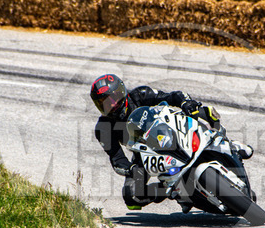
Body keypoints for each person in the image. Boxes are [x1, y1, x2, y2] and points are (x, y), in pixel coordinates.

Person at [90, 74, 253, 210]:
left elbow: (173, 96)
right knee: (131, 197)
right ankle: (174, 190)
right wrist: (130, 169)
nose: (112, 105)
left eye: (114, 98)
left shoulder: (140, 94)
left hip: (169, 127)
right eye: (105, 103)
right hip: (144, 152)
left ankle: (228, 143)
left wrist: (186, 103)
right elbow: (117, 159)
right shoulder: (103, 128)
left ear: (122, 92)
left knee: (204, 112)